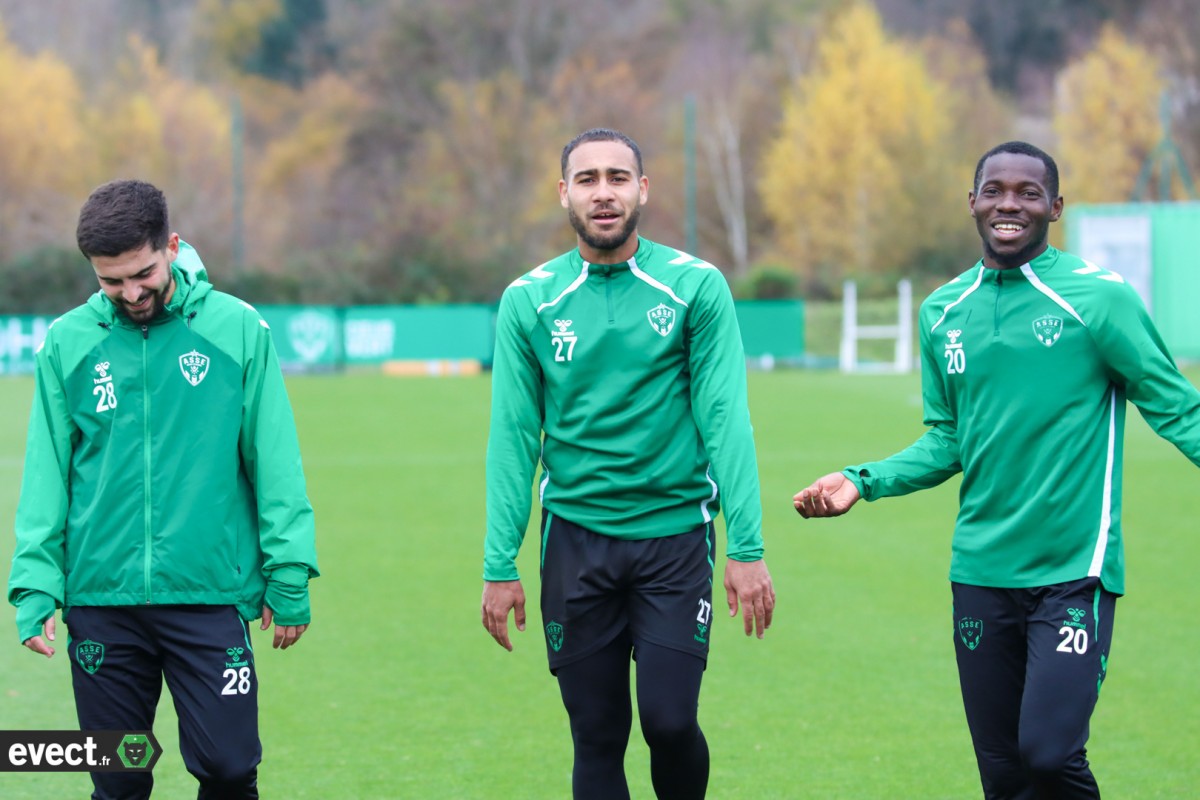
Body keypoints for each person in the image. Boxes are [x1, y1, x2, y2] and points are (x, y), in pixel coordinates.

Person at [794, 141, 1200, 799]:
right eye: (995, 190)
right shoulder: (943, 312)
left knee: (1049, 754)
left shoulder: (1099, 300)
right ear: (973, 203)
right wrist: (861, 481)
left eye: (1028, 192)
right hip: (980, 574)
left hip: (1075, 571)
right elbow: (948, 440)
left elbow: (1178, 409)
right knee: (1005, 776)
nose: (1009, 204)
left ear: (1055, 207)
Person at [481, 128, 775, 800]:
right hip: (575, 543)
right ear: (564, 195)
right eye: (587, 179)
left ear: (644, 189)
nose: (603, 192)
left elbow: (726, 418)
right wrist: (500, 565)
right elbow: (513, 440)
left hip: (673, 539)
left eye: (618, 177)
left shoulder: (695, 287)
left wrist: (747, 547)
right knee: (597, 733)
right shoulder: (530, 300)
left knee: (670, 723)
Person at [8, 179, 319, 799]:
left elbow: (275, 461)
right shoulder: (67, 343)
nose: (130, 293)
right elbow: (45, 473)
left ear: (172, 247)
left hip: (207, 594)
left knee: (231, 770)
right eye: (110, 281)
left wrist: (288, 571)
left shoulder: (237, 330)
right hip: (101, 597)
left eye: (142, 273)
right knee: (117, 780)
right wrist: (35, 585)